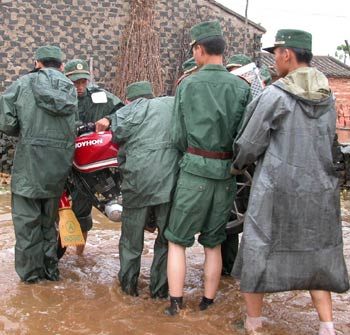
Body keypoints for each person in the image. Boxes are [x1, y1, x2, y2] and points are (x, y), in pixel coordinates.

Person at [231, 29, 349, 335]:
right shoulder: (328, 95)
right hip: (319, 191)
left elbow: (249, 143)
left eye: (277, 53)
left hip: (276, 189)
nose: (275, 60)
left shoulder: (275, 95)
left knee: (257, 251)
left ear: (287, 54)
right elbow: (331, 142)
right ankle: (327, 327)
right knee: (318, 254)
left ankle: (253, 323)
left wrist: (237, 166)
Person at [164, 21, 251, 315]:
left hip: (194, 170)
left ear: (199, 50)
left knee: (177, 240)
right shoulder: (242, 87)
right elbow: (245, 137)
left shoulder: (188, 84)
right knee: (214, 242)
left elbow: (177, 135)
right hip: (226, 174)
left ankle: (175, 305)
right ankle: (207, 302)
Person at [0, 45, 78, 283]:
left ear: (37, 63)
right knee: (48, 223)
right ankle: (51, 273)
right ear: (62, 66)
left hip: (30, 165)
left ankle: (31, 281)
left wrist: (23, 131)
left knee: (27, 226)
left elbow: (5, 122)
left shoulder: (23, 84)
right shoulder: (70, 89)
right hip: (58, 166)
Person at [111, 81, 179, 298]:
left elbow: (117, 135)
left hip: (137, 182)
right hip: (170, 183)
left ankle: (128, 290)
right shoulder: (171, 104)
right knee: (166, 241)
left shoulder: (125, 112)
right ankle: (159, 292)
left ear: (129, 99)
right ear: (152, 95)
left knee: (131, 242)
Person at [64, 59, 124, 255]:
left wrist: (109, 119)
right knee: (57, 205)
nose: (80, 87)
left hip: (88, 163)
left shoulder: (100, 96)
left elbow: (124, 112)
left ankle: (79, 255)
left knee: (82, 206)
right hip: (62, 158)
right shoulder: (59, 96)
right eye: (75, 82)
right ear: (66, 79)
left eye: (83, 81)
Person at [221, 53, 253, 277]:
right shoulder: (226, 97)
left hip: (251, 169)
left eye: (239, 71)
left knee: (254, 222)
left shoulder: (260, 96)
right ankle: (229, 272)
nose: (236, 75)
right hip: (231, 166)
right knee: (230, 222)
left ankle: (252, 271)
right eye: (231, 71)